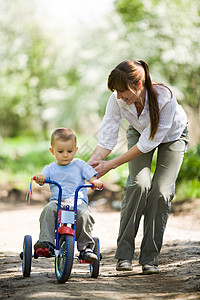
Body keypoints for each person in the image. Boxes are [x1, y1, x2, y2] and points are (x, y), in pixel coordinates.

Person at [88, 59, 188, 274]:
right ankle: (124, 255)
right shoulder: (117, 100)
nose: (118, 96)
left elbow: (149, 143)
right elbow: (106, 138)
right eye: (115, 91)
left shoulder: (165, 98)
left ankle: (149, 258)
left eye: (123, 90)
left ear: (139, 85)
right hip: (139, 132)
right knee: (138, 184)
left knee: (161, 191)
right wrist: (89, 167)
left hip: (173, 137)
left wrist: (111, 165)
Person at [34, 127, 102, 261]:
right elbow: (42, 177)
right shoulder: (50, 168)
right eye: (60, 151)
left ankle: (86, 248)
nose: (65, 155)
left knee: (85, 214)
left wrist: (95, 182)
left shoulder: (80, 165)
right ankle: (46, 243)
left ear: (75, 150)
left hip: (77, 201)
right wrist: (40, 177)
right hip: (57, 202)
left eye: (69, 151)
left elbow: (91, 177)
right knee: (48, 210)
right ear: (52, 151)